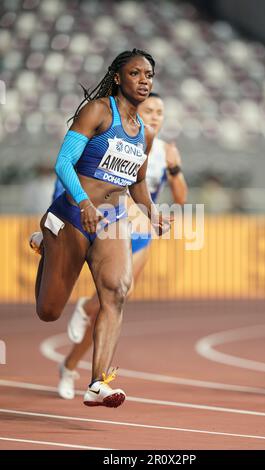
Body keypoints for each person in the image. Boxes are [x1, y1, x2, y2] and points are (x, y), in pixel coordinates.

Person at [33, 49, 173, 408]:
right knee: (48, 311)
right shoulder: (97, 111)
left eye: (149, 75)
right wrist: (83, 202)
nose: (144, 80)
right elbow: (63, 162)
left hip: (112, 221)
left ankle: (99, 382)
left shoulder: (145, 134)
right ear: (118, 77)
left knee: (117, 293)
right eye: (136, 73)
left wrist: (153, 212)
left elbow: (136, 184)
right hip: (74, 214)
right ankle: (47, 238)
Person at [54, 92, 188, 399]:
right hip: (111, 221)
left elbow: (181, 199)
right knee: (101, 299)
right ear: (137, 109)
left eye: (161, 111)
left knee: (115, 298)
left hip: (142, 232)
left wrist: (176, 168)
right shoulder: (120, 135)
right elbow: (87, 175)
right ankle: (81, 314)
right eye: (151, 109)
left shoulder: (164, 148)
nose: (156, 116)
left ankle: (72, 365)